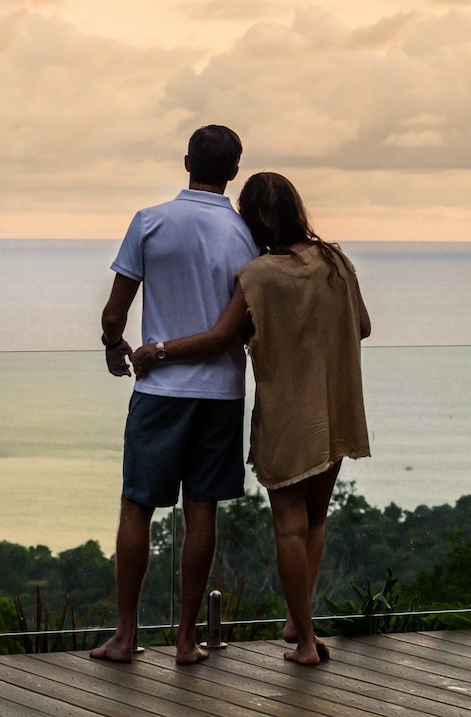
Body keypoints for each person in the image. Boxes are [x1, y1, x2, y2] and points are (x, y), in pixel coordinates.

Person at [131, 171, 371, 665]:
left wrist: (156, 350)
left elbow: (220, 337)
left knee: (288, 527)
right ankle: (299, 620)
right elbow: (362, 326)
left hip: (289, 415)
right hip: (340, 407)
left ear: (258, 218)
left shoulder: (259, 275)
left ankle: (305, 643)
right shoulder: (337, 261)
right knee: (316, 517)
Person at [92, 125, 258, 665]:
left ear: (186, 160)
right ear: (234, 171)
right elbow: (244, 324)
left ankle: (124, 635)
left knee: (138, 503)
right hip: (221, 392)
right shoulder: (244, 235)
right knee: (201, 508)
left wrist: (118, 345)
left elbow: (115, 311)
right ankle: (187, 639)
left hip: (160, 389)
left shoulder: (151, 220)